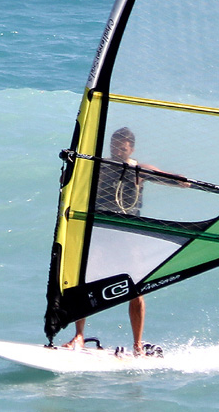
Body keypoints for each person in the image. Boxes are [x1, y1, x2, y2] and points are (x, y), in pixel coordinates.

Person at [63, 127, 163, 356]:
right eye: (115, 145)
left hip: (128, 235)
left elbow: (175, 180)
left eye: (123, 145)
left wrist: (182, 182)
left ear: (131, 148)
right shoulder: (98, 166)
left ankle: (137, 345)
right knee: (83, 281)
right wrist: (69, 166)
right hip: (101, 231)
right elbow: (68, 180)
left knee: (136, 288)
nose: (118, 149)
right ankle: (78, 335)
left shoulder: (139, 170)